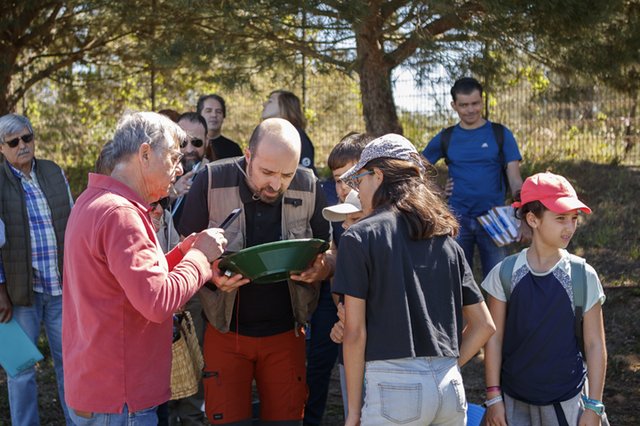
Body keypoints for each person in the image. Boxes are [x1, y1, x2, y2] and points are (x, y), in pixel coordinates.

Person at [62, 111, 228, 425]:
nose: (179, 170)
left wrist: (182, 253)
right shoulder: (120, 214)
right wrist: (200, 258)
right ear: (145, 153)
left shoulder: (94, 201)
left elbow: (126, 284)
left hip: (99, 389)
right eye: (175, 158)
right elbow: (156, 301)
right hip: (122, 399)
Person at [333, 134, 496, 426]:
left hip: (393, 389)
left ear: (378, 175)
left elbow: (354, 333)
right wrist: (444, 369)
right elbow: (484, 325)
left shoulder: (358, 237)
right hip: (450, 388)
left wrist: (354, 411)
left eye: (360, 180)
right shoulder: (448, 242)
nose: (356, 190)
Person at [178, 117, 331, 425]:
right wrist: (210, 274)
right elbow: (184, 250)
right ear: (248, 155)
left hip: (287, 334)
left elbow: (328, 250)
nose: (276, 184)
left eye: (286, 174)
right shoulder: (210, 180)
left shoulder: (309, 185)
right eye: (267, 172)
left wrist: (324, 268)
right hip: (225, 332)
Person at [482, 172, 608, 426]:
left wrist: (593, 406)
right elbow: (493, 340)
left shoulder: (583, 275)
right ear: (532, 219)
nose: (569, 227)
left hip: (568, 403)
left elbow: (595, 344)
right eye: (560, 218)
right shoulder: (505, 273)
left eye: (574, 219)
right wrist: (494, 398)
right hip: (513, 404)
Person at [0, 113, 74, 425]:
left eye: (27, 138)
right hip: (18, 296)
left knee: (70, 366)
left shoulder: (54, 172)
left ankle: (77, 421)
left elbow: (73, 223)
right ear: (1, 147)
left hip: (61, 289)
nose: (23, 146)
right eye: (14, 142)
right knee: (20, 370)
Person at [422, 77, 523, 278]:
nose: (470, 110)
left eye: (475, 103)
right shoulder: (446, 137)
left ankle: (497, 312)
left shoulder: (500, 134)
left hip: (496, 219)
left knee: (499, 281)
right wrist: (437, 191)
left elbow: (515, 178)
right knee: (456, 280)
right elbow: (417, 168)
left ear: (482, 101)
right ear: (454, 105)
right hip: (457, 220)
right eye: (464, 105)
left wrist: (522, 213)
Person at [304, 132, 371, 426]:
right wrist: (342, 313)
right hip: (345, 322)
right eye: (336, 179)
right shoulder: (341, 216)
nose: (341, 188)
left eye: (348, 178)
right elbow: (336, 254)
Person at [262, 89, 316, 174]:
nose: (264, 104)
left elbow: (304, 174)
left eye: (270, 101)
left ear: (284, 106)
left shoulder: (297, 137)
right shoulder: (267, 136)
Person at [171, 112, 210, 228]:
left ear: (207, 142)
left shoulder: (215, 176)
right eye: (183, 143)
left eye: (196, 142)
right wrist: (171, 194)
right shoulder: (161, 173)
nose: (189, 150)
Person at [196, 94, 243, 161]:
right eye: (208, 111)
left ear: (223, 116)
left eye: (218, 111)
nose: (214, 115)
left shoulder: (233, 149)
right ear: (199, 115)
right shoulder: (190, 145)